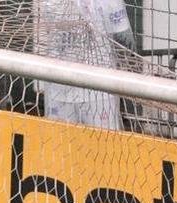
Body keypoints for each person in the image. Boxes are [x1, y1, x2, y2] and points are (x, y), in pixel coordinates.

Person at [34, 0, 135, 130]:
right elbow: (126, 46)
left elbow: (124, 42)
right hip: (63, 86)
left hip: (97, 88)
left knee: (100, 144)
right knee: (62, 144)